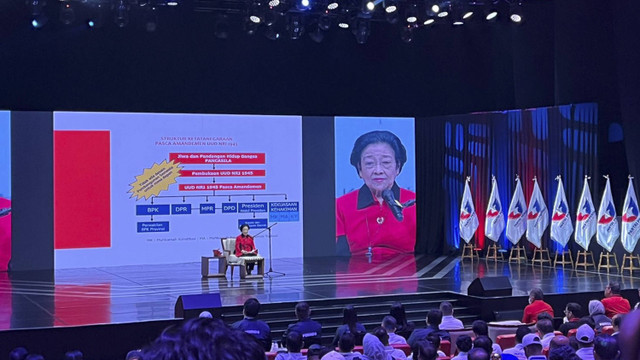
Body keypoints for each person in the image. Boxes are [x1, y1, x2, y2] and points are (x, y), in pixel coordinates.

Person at [336, 130, 416, 257]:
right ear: (359, 169)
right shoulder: (340, 205)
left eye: (386, 162)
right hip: (357, 273)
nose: (378, 171)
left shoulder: (414, 202)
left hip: (407, 272)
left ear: (398, 167)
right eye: (369, 163)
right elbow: (339, 257)